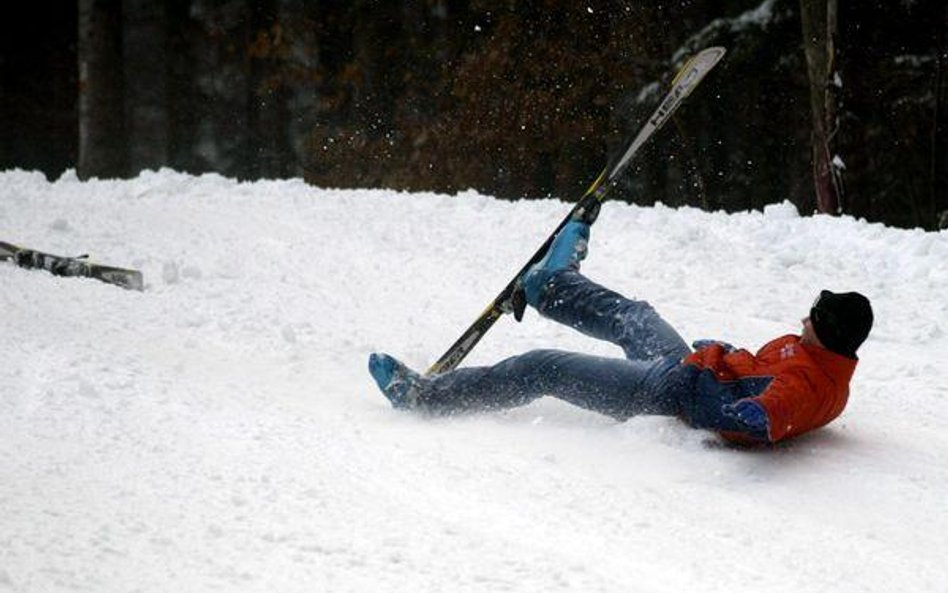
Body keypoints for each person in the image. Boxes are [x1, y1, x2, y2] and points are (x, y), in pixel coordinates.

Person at [368, 220, 873, 444]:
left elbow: (782, 406)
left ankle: (425, 398)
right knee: (636, 315)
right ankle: (551, 283)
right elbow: (762, 372)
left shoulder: (812, 383)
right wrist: (724, 356)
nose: (804, 317)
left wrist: (752, 415)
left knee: (543, 366)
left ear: (826, 332)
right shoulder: (806, 350)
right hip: (684, 370)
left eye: (813, 315)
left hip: (667, 395)